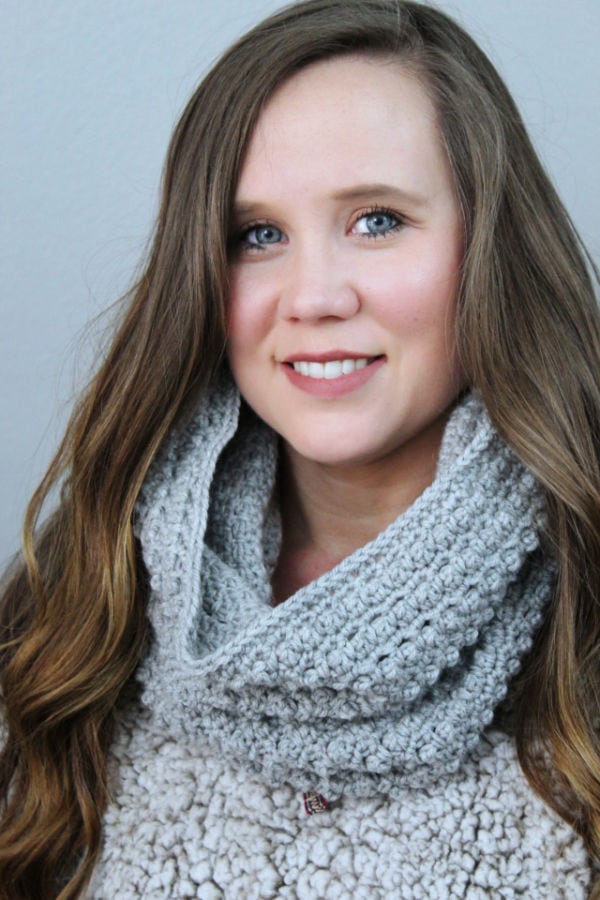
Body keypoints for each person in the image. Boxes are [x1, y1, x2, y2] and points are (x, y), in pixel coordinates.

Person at [1, 0, 599, 897]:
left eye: (378, 220)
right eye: (260, 236)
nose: (313, 296)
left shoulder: (585, 602)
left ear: (491, 250)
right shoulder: (84, 596)